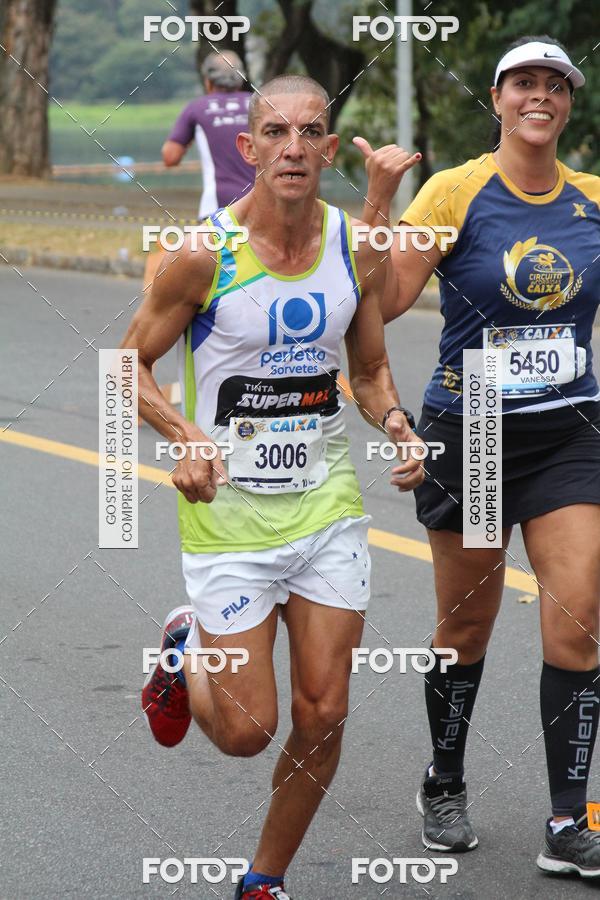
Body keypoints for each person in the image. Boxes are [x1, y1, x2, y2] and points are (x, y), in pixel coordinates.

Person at [124, 75, 424, 899]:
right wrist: (183, 434)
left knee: (324, 712)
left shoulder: (353, 246)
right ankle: (185, 651)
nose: (294, 147)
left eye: (311, 132)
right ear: (247, 147)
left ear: (330, 148)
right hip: (230, 519)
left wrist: (395, 423)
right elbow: (127, 366)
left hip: (327, 508)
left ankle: (264, 881)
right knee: (250, 731)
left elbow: (367, 370)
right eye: (276, 132)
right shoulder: (199, 255)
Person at [356, 36, 600, 878]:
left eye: (554, 86)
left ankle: (569, 819)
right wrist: (380, 202)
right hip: (477, 431)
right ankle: (444, 781)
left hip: (570, 432)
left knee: (577, 617)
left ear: (569, 103)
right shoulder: (455, 191)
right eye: (524, 83)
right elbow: (382, 304)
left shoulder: (594, 199)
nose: (540, 97)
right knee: (467, 623)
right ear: (497, 98)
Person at [162, 50, 255, 219]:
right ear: (240, 79)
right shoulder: (261, 104)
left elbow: (170, 157)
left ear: (208, 81)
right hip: (264, 207)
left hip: (217, 208)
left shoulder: (197, 108)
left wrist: (191, 137)